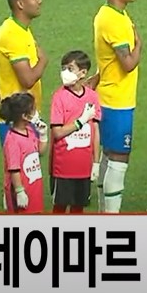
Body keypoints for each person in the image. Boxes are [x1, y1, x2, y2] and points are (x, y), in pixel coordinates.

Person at [93, 0, 142, 213]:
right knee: (119, 157)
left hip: (109, 96)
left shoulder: (109, 14)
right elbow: (127, 63)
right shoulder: (114, 21)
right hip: (117, 101)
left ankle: (104, 212)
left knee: (108, 155)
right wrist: (139, 45)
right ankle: (111, 217)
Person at [0, 0, 47, 146]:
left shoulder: (21, 30)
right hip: (15, 120)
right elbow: (27, 80)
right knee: (21, 163)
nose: (40, 1)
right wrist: (43, 61)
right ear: (21, 4)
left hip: (26, 115)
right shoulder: (12, 34)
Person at [48, 51, 100, 214]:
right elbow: (57, 133)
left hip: (84, 167)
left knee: (78, 209)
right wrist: (81, 121)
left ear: (83, 73)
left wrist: (96, 162)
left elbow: (95, 131)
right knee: (59, 208)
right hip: (62, 168)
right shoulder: (59, 97)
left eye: (70, 69)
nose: (65, 73)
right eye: (63, 68)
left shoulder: (92, 97)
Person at [0, 93, 48, 214]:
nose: (37, 112)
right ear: (25, 116)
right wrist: (19, 191)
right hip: (22, 191)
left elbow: (39, 152)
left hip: (34, 188)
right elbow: (14, 169)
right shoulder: (13, 140)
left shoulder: (30, 131)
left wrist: (43, 135)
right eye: (33, 109)